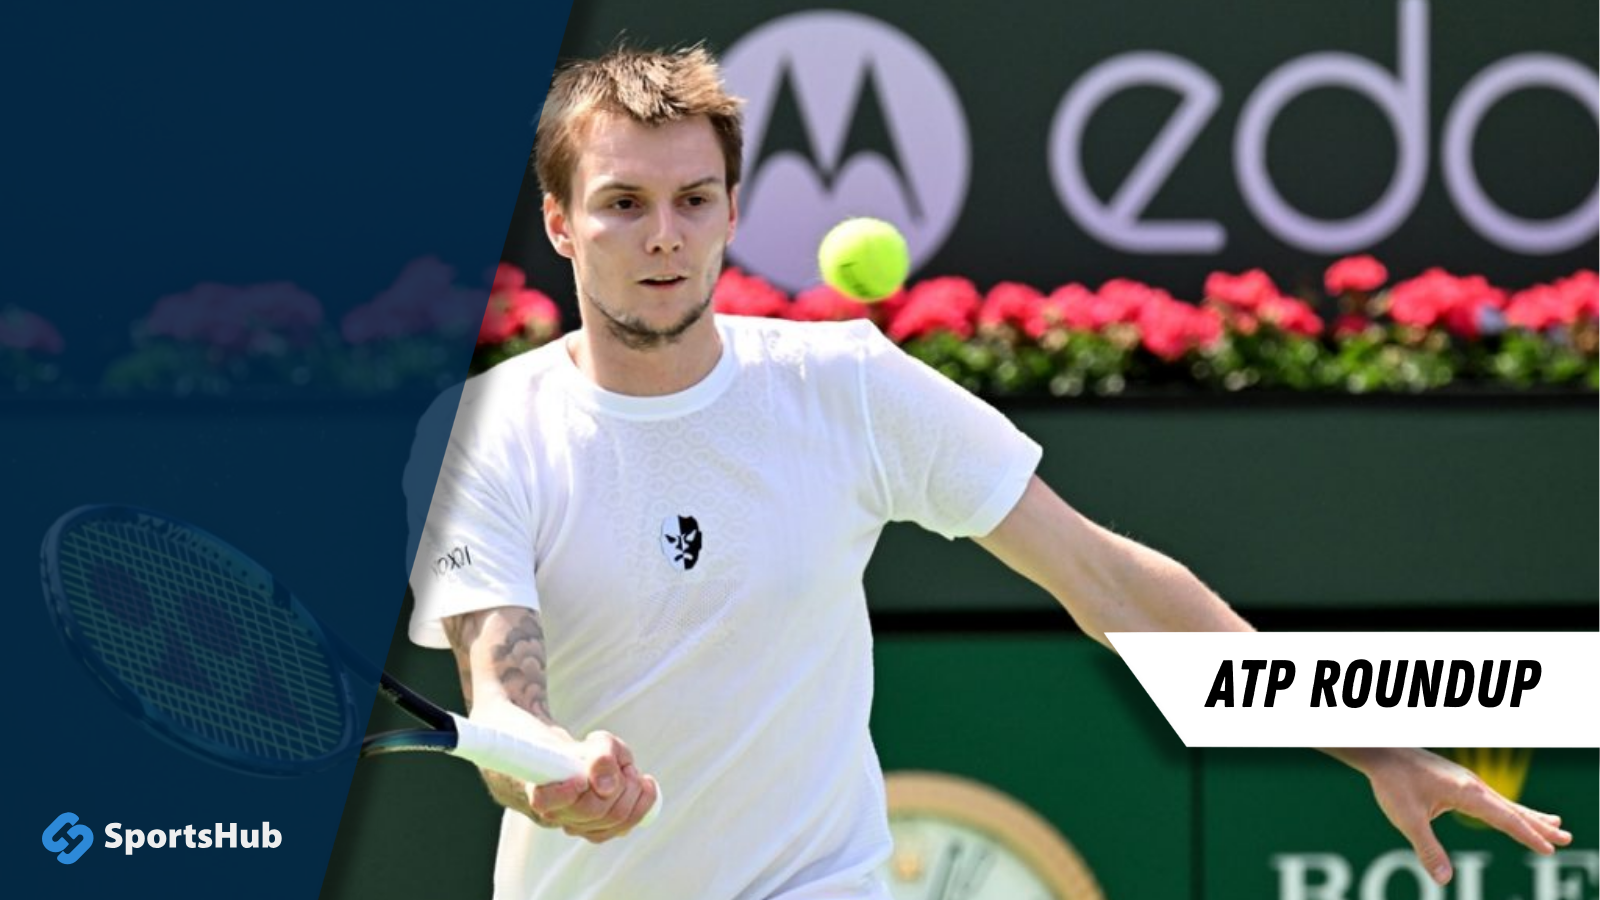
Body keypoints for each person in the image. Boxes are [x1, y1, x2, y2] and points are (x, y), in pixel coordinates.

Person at [406, 45, 1571, 900]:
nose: (663, 234)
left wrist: (1373, 742)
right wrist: (552, 771)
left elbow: (1108, 581)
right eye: (622, 204)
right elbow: (503, 692)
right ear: (558, 223)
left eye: (691, 201)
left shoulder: (845, 386)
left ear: (731, 213)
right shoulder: (482, 431)